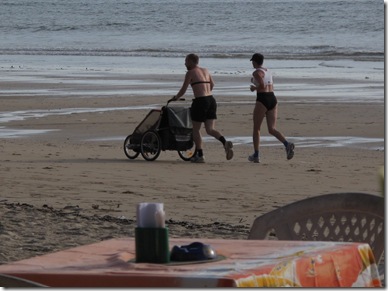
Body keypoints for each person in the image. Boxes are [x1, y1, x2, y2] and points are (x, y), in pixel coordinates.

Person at [172, 53, 233, 163]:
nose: (184, 63)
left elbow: (183, 90)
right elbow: (212, 85)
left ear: (191, 61)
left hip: (200, 101)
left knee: (196, 129)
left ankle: (200, 155)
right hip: (211, 100)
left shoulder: (190, 73)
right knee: (210, 129)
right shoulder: (205, 70)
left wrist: (175, 98)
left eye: (186, 61)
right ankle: (224, 142)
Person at [248, 53, 294, 163]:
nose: (252, 64)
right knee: (272, 129)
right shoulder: (268, 71)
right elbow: (267, 83)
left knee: (256, 129)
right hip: (272, 98)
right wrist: (255, 82)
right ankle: (287, 145)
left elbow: (262, 85)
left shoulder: (256, 72)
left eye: (252, 62)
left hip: (262, 99)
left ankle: (256, 155)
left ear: (255, 61)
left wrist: (254, 88)